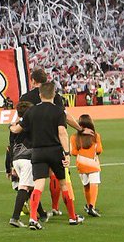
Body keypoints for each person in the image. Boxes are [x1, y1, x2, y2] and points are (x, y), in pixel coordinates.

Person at [11, 82, 83, 229]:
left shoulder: (31, 112)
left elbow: (17, 129)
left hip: (37, 152)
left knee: (38, 185)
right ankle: (72, 217)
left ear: (40, 95)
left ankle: (32, 218)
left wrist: (10, 126)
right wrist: (67, 153)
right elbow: (62, 132)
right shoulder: (58, 112)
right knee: (63, 183)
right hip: (55, 151)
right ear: (54, 94)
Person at [6, 101, 35, 227]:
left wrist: (11, 166)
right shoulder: (30, 124)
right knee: (25, 187)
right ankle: (15, 217)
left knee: (31, 187)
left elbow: (10, 146)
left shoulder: (15, 127)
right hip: (27, 158)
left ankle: (42, 214)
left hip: (16, 159)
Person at [71, 113, 103, 217]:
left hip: (81, 163)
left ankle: (88, 205)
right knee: (94, 184)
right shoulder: (95, 136)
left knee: (86, 185)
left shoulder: (74, 137)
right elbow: (99, 150)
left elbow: (74, 152)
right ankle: (91, 206)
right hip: (93, 163)